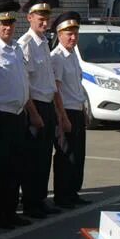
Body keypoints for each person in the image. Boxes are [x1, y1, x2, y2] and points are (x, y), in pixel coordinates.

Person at [0, 0, 38, 229]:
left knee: (16, 166)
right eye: (3, 22)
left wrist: (30, 112)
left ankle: (10, 211)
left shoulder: (15, 47)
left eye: (11, 22)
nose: (7, 27)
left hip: (17, 115)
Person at [17, 0, 63, 218]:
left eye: (47, 19)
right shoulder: (25, 44)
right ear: (29, 18)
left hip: (47, 105)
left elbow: (48, 80)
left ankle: (40, 198)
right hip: (34, 106)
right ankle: (30, 202)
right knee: (32, 159)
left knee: (44, 157)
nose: (44, 23)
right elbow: (25, 83)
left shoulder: (44, 42)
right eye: (40, 19)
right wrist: (34, 114)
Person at [50, 12, 88, 208]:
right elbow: (56, 90)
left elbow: (76, 85)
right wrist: (62, 117)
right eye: (68, 34)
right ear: (59, 34)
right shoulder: (56, 57)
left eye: (75, 34)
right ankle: (62, 195)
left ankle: (73, 192)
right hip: (65, 111)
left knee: (78, 154)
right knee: (66, 155)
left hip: (76, 109)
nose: (73, 38)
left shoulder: (73, 55)